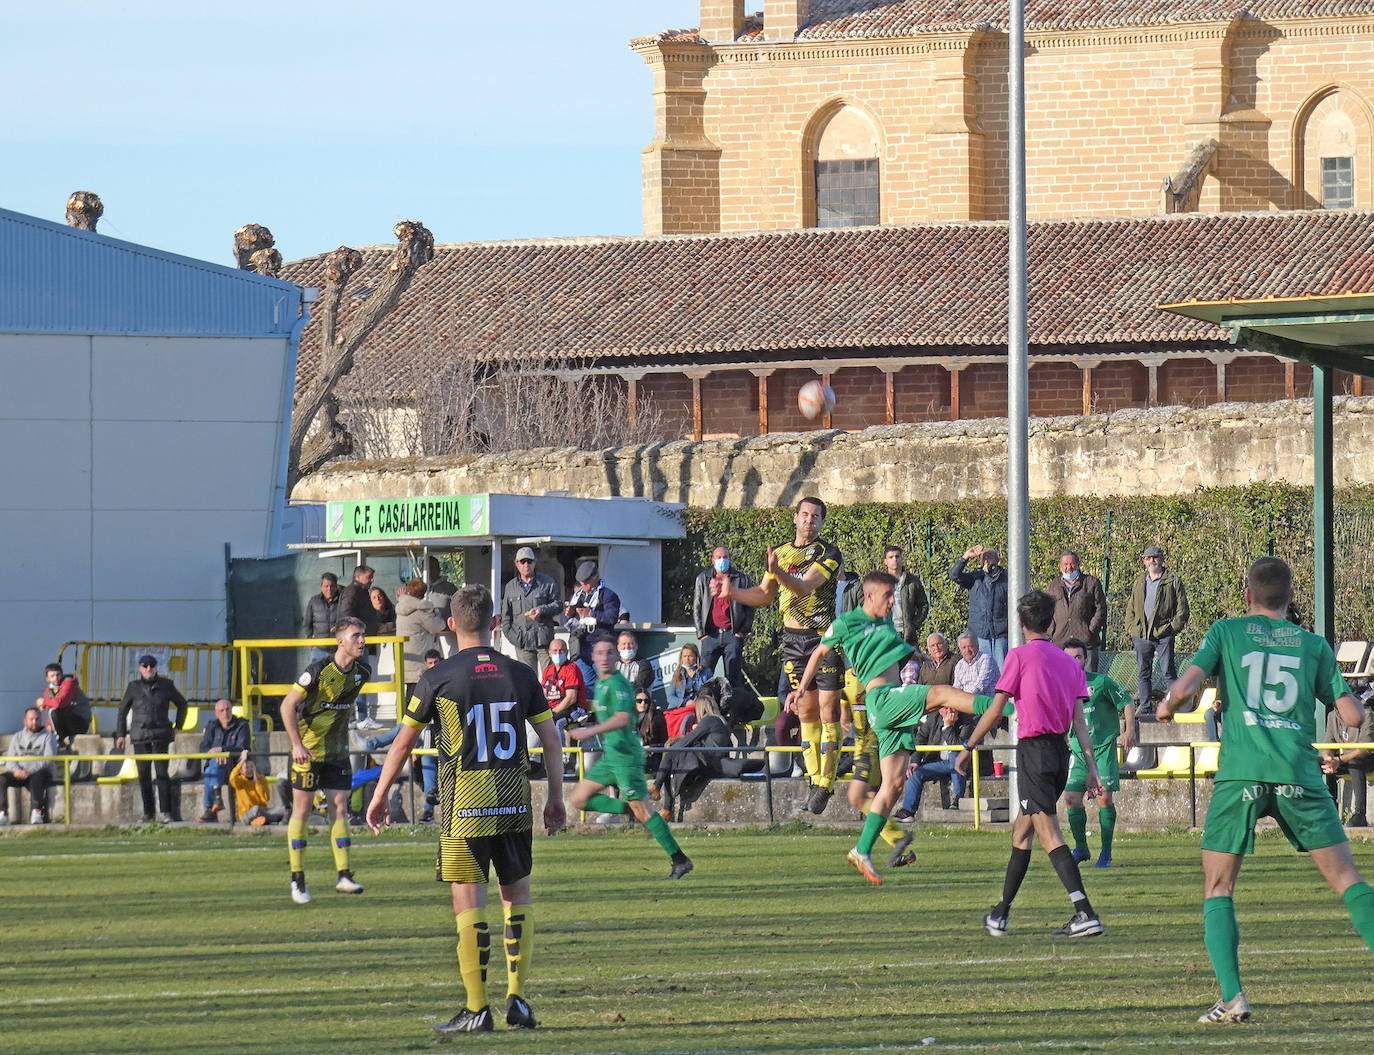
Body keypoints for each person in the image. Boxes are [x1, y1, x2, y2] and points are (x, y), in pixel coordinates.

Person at [1157, 556, 1374, 1025]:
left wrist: (1169, 702)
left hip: (1242, 773)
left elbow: (1187, 686)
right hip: (1298, 770)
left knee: (1219, 886)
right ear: (1292, 597)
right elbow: (1353, 717)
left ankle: (1233, 998)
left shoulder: (1226, 632)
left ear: (1248, 595)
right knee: (1348, 881)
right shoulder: (1312, 644)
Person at [365, 584, 566, 1034]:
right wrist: (555, 797)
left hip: (465, 806)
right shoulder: (520, 674)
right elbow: (551, 738)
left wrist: (379, 795)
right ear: (495, 623)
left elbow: (404, 740)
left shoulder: (439, 676)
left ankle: (477, 1006)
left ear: (451, 625)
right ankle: (517, 999)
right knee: (517, 896)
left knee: (467, 898)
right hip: (513, 801)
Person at [793, 570, 987, 884]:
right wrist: (803, 687)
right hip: (883, 700)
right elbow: (819, 652)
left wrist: (914, 652)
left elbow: (890, 647)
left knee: (892, 785)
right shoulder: (845, 623)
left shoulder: (883, 622)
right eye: (887, 596)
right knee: (940, 694)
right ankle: (1011, 707)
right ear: (869, 596)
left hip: (888, 712)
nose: (892, 602)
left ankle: (864, 849)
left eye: (893, 597)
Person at [955, 590, 1105, 939]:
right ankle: (1000, 913)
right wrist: (1092, 767)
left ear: (1021, 624)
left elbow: (995, 709)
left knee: (1048, 831)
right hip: (1060, 752)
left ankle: (1084, 911)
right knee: (1022, 831)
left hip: (1034, 753)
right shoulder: (1069, 662)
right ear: (1052, 623)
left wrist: (969, 746)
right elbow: (1079, 720)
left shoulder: (1019, 657)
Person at [719, 496, 845, 814]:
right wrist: (731, 592)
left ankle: (826, 783)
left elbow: (804, 586)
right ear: (795, 517)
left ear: (822, 522)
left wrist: (777, 572)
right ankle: (815, 781)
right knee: (805, 714)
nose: (809, 520)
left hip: (823, 639)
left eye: (816, 516)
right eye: (805, 514)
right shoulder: (781, 552)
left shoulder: (828, 552)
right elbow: (764, 594)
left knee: (829, 713)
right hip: (792, 641)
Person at [567, 638, 693, 879]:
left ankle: (680, 859)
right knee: (579, 799)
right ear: (593, 658)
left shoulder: (620, 685)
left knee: (645, 812)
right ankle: (630, 810)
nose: (604, 657)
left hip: (626, 757)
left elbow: (624, 718)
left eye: (609, 653)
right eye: (599, 653)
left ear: (616, 657)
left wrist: (590, 731)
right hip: (611, 756)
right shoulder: (601, 685)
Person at [280, 617, 371, 904]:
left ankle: (343, 875)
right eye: (356, 636)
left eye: (363, 635)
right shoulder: (318, 670)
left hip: (337, 752)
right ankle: (298, 879)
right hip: (307, 752)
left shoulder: (362, 672)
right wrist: (296, 744)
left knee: (340, 808)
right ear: (340, 641)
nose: (362, 641)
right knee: (302, 811)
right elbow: (287, 705)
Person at [1060, 639, 1135, 868]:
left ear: (1085, 659)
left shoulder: (1100, 682)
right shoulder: (1061, 686)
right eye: (1069, 658)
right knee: (1071, 798)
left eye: (1078, 657)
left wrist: (1129, 729)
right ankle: (1081, 848)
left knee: (1104, 798)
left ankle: (1106, 852)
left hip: (1102, 748)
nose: (1074, 662)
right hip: (1077, 751)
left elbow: (1127, 701)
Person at [114, 654, 188, 824]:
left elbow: (182, 703)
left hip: (160, 735)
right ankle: (148, 813)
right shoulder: (133, 687)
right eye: (145, 665)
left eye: (152, 665)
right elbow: (122, 711)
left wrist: (178, 726)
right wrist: (120, 734)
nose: (149, 668)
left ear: (156, 667)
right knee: (143, 776)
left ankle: (166, 812)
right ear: (140, 668)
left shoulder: (166, 685)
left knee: (162, 774)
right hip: (140, 736)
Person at [1123, 543, 1189, 715]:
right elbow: (1131, 606)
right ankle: (1145, 708)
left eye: (1155, 557)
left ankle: (1175, 708)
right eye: (1149, 558)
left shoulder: (1172, 580)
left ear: (1162, 559)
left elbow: (1182, 610)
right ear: (1144, 561)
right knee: (1144, 673)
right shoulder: (1139, 581)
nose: (1152, 560)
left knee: (1168, 672)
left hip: (1164, 634)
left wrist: (1172, 628)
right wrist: (1132, 628)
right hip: (1142, 635)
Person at [893, 706, 972, 820]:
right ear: (940, 710)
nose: (949, 711)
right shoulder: (934, 718)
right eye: (946, 708)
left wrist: (948, 726)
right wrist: (915, 761)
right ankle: (907, 811)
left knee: (955, 756)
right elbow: (920, 739)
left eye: (953, 708)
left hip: (960, 763)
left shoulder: (966, 721)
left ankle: (957, 799)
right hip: (938, 762)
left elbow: (959, 747)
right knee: (915, 773)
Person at [692, 545, 755, 686]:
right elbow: (697, 606)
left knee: (733, 680)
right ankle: (705, 707)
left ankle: (732, 708)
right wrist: (701, 634)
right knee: (704, 680)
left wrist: (742, 631)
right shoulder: (703, 578)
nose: (722, 560)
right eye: (718, 557)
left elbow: (750, 606)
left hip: (732, 635)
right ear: (712, 560)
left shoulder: (742, 579)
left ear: (730, 559)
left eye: (725, 557)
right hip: (710, 635)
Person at [500, 546, 562, 672]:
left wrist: (542, 610)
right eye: (523, 562)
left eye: (529, 561)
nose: (526, 564)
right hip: (523, 643)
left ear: (534, 563)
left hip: (544, 641)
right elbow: (506, 617)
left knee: (550, 678)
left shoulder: (548, 582)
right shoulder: (510, 587)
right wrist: (514, 638)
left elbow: (558, 605)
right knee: (528, 681)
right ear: (517, 564)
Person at [949, 544, 1009, 670]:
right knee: (983, 671)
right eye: (984, 557)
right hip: (980, 635)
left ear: (998, 560)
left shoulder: (1007, 578)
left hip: (1001, 634)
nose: (987, 559)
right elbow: (954, 575)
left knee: (1002, 672)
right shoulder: (975, 577)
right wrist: (965, 557)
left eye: (990, 556)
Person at [1045, 552, 1108, 673]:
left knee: (1088, 682)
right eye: (1065, 564)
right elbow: (1047, 610)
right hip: (1060, 642)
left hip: (1086, 642)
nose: (1069, 567)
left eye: (1072, 564)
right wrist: (1051, 632)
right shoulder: (1053, 585)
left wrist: (1090, 630)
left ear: (1078, 565)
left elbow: (1101, 609)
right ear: (1060, 566)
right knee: (1061, 681)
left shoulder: (1091, 583)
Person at [565, 560, 622, 681]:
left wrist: (591, 613)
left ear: (596, 578)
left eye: (586, 582)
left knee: (606, 680)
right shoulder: (578, 595)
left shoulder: (608, 595)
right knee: (587, 684)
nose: (583, 586)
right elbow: (573, 619)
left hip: (600, 644)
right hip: (580, 646)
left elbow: (611, 617)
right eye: (581, 583)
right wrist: (569, 614)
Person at [0, 707, 58, 824]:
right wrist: (16, 771)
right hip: (20, 773)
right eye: (31, 719)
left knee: (38, 777)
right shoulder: (17, 737)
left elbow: (48, 759)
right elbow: (10, 759)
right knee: (1, 779)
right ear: (25, 721)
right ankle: (2, 814)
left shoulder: (48, 736)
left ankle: (36, 813)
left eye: (37, 719)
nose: (34, 722)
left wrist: (30, 771)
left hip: (40, 773)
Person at [197, 698, 252, 823]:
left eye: (227, 709)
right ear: (216, 713)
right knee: (213, 768)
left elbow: (243, 747)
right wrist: (214, 753)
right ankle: (216, 802)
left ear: (231, 710)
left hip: (236, 765)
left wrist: (223, 750)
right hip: (217, 765)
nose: (225, 713)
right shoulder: (212, 726)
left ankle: (211, 808)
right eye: (221, 710)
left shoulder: (242, 725)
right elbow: (203, 747)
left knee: (211, 770)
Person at [1321, 699, 1373, 828]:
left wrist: (1339, 760)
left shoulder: (1367, 714)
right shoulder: (1332, 715)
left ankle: (1360, 815)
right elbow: (1328, 742)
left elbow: (1365, 748)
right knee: (1317, 763)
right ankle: (1322, 811)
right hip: (1343, 760)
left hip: (1367, 759)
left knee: (1355, 763)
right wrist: (1328, 757)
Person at [395, 579, 449, 698]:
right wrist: (437, 612)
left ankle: (404, 716)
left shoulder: (401, 608)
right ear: (424, 593)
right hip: (420, 659)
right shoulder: (421, 610)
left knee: (408, 695)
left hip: (406, 656)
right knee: (419, 696)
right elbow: (438, 626)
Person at [540, 640, 588, 748]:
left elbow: (571, 698)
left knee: (556, 722)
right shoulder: (548, 671)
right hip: (553, 710)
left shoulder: (571, 669)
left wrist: (552, 712)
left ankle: (562, 757)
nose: (558, 653)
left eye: (561, 650)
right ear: (549, 653)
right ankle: (536, 759)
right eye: (555, 651)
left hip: (573, 709)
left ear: (567, 652)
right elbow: (543, 694)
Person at [883, 545, 929, 647]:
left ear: (901, 558)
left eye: (897, 556)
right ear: (885, 561)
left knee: (912, 662)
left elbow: (924, 605)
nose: (895, 559)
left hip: (908, 635)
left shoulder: (913, 581)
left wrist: (914, 625)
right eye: (891, 557)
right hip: (887, 635)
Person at [36, 662, 91, 749]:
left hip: (80, 722)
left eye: (58, 675)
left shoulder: (69, 683)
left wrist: (43, 702)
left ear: (62, 674)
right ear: (47, 679)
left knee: (55, 710)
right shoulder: (48, 690)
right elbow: (49, 710)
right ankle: (58, 741)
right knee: (51, 717)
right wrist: (48, 725)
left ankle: (59, 740)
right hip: (66, 722)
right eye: (52, 676)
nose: (56, 678)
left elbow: (60, 703)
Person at [303, 572, 341, 659]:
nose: (329, 589)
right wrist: (310, 641)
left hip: (338, 648)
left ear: (336, 586)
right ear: (321, 587)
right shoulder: (314, 601)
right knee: (318, 672)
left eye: (332, 586)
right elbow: (307, 623)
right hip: (319, 649)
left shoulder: (342, 601)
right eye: (326, 586)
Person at [952, 633, 998, 698]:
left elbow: (980, 685)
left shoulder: (986, 659)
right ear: (960, 650)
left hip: (988, 702)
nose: (967, 650)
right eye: (964, 647)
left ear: (978, 646)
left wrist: (962, 698)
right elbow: (957, 687)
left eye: (970, 646)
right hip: (967, 702)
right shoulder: (959, 665)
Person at [667, 644, 708, 708]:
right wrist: (685, 703)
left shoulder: (706, 672)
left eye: (690, 656)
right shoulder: (677, 674)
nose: (687, 659)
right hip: (681, 708)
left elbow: (709, 694)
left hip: (700, 707)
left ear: (696, 657)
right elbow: (670, 697)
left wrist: (698, 703)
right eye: (684, 656)